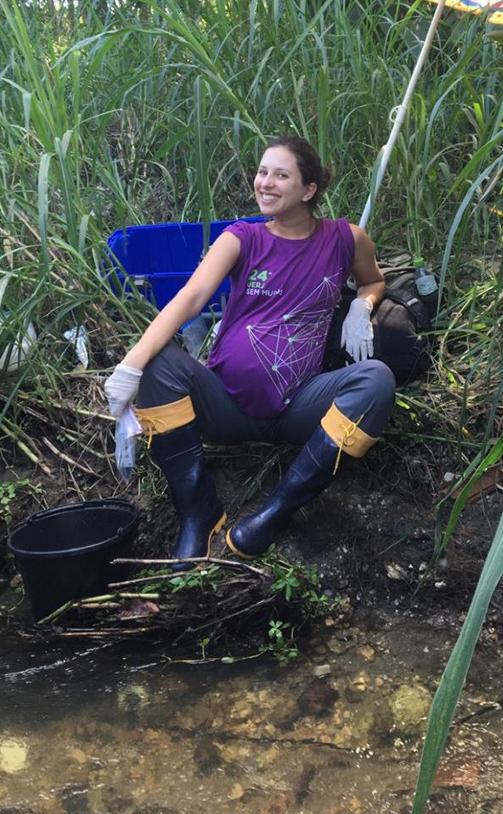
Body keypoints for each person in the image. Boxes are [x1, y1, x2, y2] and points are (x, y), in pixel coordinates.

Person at [104, 135, 396, 565]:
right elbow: (190, 298)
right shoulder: (241, 238)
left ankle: (277, 511)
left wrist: (362, 304)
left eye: (281, 174)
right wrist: (131, 365)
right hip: (225, 408)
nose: (266, 183)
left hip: (298, 407)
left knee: (377, 379)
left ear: (308, 190)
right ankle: (197, 512)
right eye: (262, 172)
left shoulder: (345, 239)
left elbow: (374, 279)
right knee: (159, 363)